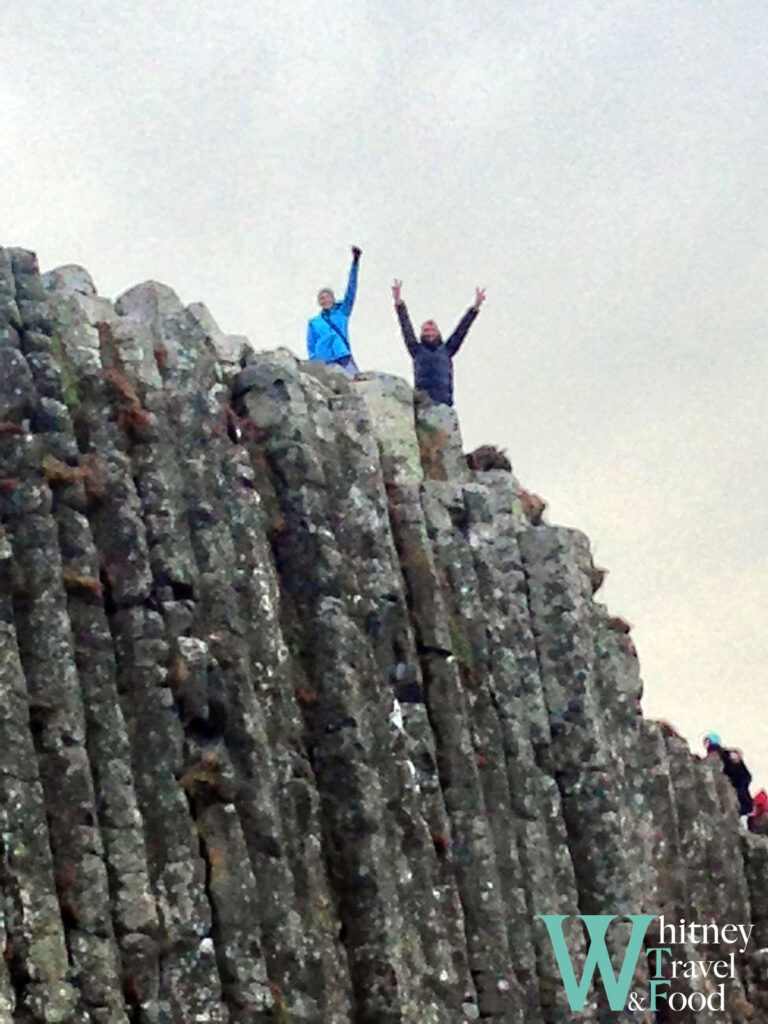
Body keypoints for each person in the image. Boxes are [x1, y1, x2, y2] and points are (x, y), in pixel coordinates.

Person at [392, 279, 486, 406]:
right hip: (423, 403)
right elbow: (406, 326)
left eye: (432, 329)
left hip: (444, 402)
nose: (429, 332)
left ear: (437, 332)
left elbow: (462, 329)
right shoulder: (416, 350)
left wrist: (476, 307)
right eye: (426, 330)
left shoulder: (447, 349)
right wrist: (398, 303)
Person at [306, 246, 362, 374]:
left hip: (343, 356)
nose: (324, 300)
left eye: (326, 297)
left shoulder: (342, 312)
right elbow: (311, 346)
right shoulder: (314, 322)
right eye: (321, 298)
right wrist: (314, 363)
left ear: (332, 298)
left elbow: (351, 290)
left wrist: (355, 263)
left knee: (354, 383)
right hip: (324, 362)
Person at [704, 733, 753, 816]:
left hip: (735, 783)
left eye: (707, 742)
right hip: (740, 783)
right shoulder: (727, 754)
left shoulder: (717, 753)